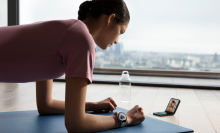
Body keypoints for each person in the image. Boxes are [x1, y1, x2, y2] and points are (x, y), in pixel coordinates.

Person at [0, 0, 145, 132]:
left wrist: (93, 105)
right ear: (111, 19)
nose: (117, 41)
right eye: (121, 32)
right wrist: (126, 118)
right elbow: (76, 124)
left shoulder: (68, 30)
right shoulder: (81, 40)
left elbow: (45, 105)